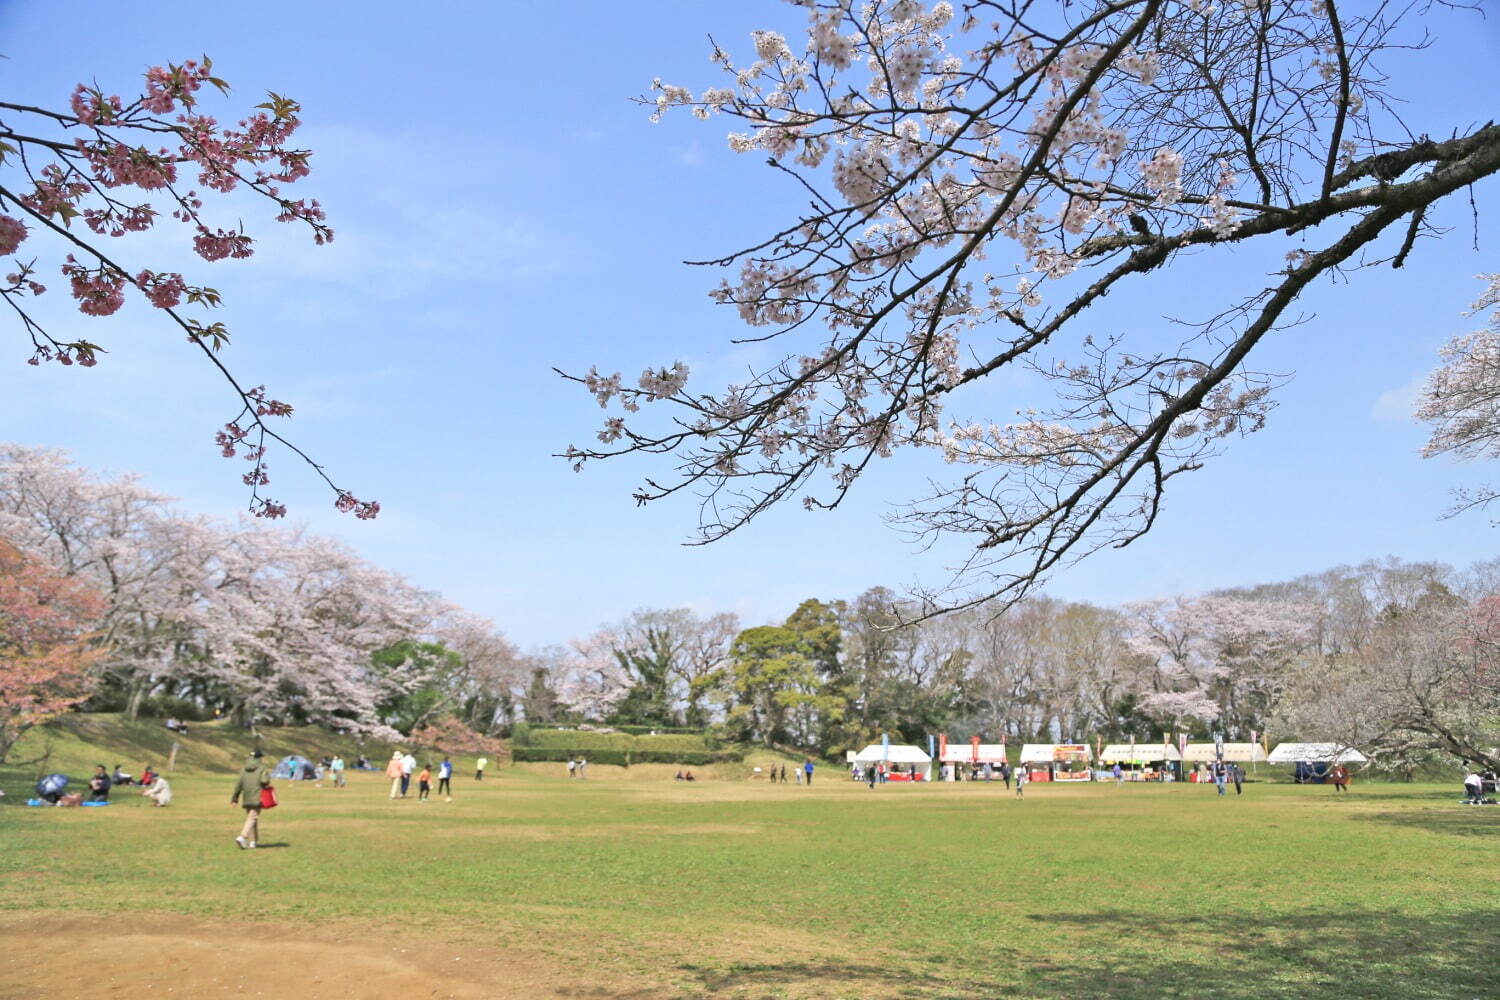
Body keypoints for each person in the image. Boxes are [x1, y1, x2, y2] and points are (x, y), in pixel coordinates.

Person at [230, 749, 271, 849]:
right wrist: (267, 777)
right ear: (259, 758)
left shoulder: (243, 769)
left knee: (252, 819)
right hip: (257, 796)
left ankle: (253, 842)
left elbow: (238, 785)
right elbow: (265, 781)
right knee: (252, 818)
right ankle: (242, 837)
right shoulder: (262, 768)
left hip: (247, 797)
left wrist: (234, 799)